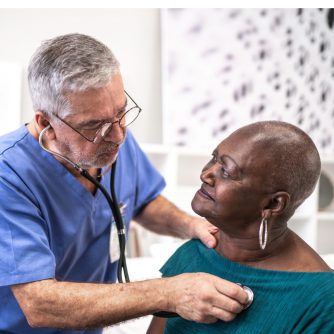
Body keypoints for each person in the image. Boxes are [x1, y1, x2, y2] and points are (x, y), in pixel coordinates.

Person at [0, 33, 250, 333]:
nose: (117, 135)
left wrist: (189, 225)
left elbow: (143, 201)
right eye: (94, 125)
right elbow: (39, 304)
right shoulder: (8, 176)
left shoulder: (113, 141)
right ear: (45, 123)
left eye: (121, 113)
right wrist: (169, 293)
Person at [148, 121, 334, 334]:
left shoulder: (322, 301)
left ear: (273, 204)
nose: (206, 174)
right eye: (214, 158)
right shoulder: (193, 254)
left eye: (226, 171)